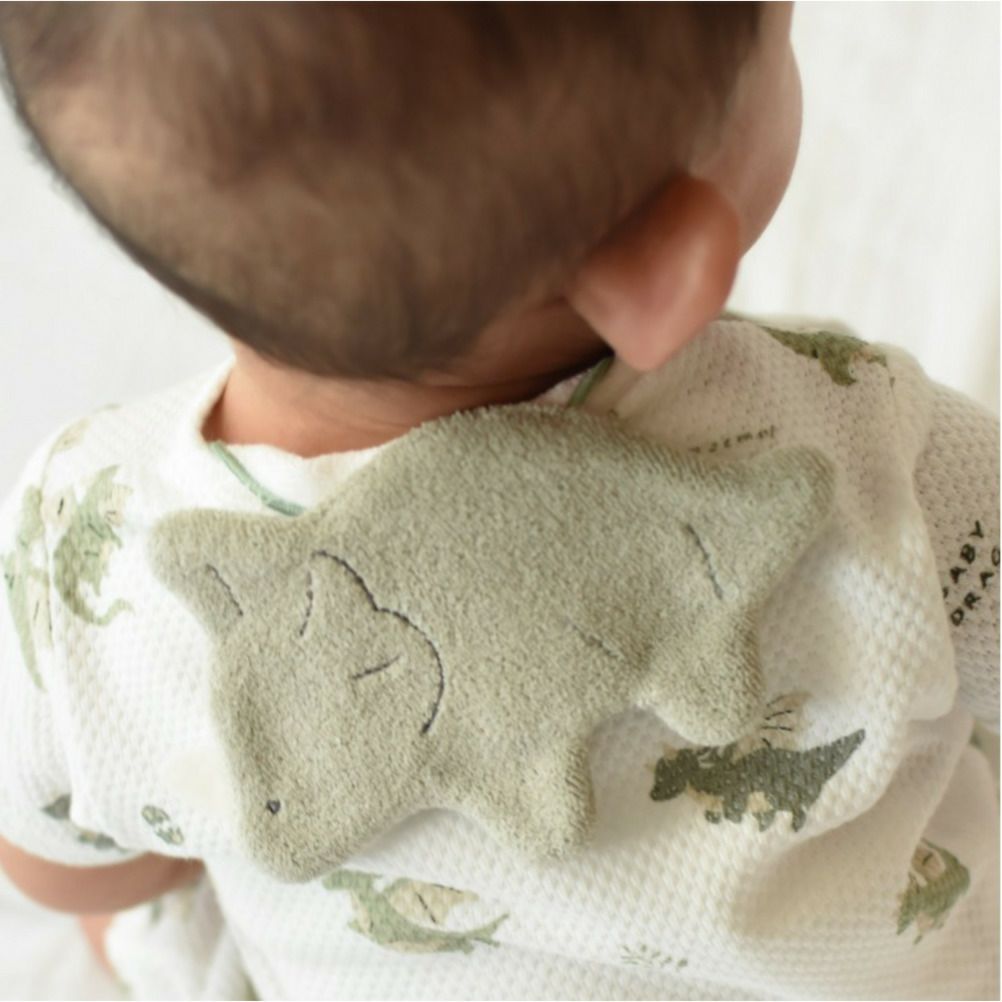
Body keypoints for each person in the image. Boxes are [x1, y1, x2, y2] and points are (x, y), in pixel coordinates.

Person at [0, 4, 997, 999]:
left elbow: (48, 861)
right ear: (669, 268)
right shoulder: (866, 445)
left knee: (157, 916)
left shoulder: (80, 540)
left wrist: (148, 864)